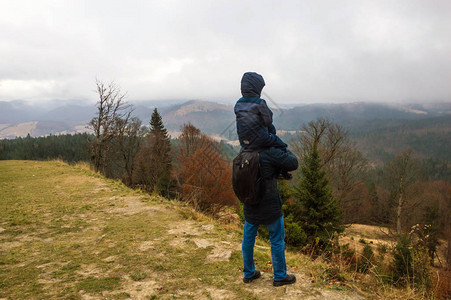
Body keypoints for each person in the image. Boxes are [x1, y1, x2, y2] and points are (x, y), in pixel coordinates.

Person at [236, 72, 299, 286]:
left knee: (248, 238)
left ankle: (249, 273)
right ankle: (280, 277)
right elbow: (293, 163)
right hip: (270, 203)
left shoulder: (244, 154)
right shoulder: (270, 152)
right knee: (276, 239)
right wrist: (278, 144)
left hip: (250, 202)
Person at [234, 72, 292, 179]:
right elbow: (268, 120)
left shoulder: (238, 103)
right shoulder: (260, 103)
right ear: (257, 88)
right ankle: (281, 172)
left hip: (244, 142)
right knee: (282, 146)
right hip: (261, 140)